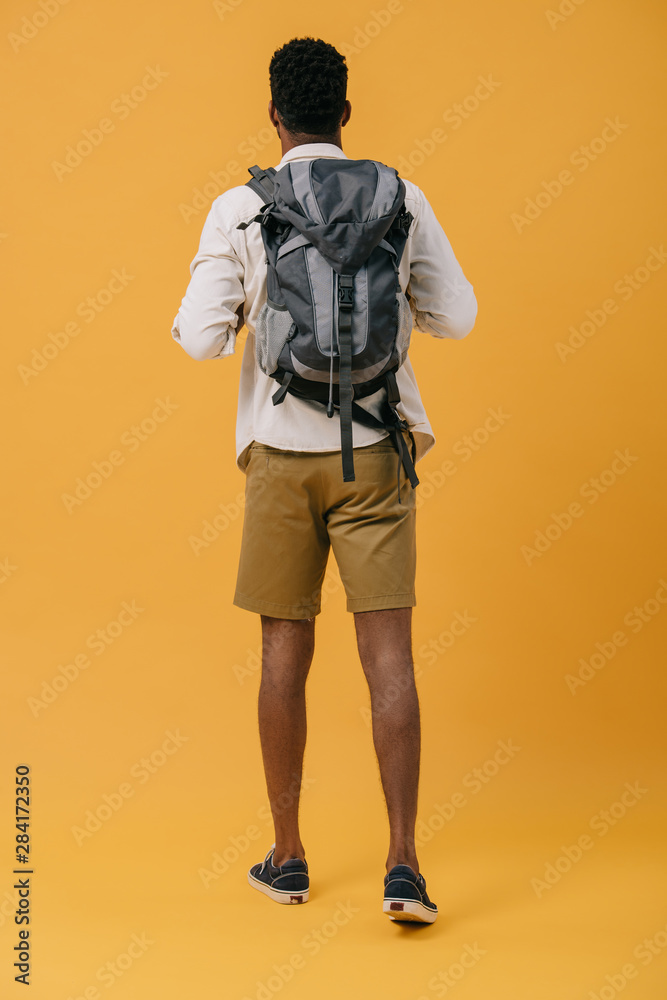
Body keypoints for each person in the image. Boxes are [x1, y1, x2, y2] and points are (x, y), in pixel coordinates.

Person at [171, 36, 477, 924]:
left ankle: (289, 857)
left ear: (273, 115)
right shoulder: (399, 196)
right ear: (345, 113)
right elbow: (455, 317)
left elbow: (198, 339)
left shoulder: (238, 207)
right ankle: (404, 867)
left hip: (278, 453)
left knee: (282, 655)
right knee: (389, 659)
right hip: (378, 449)